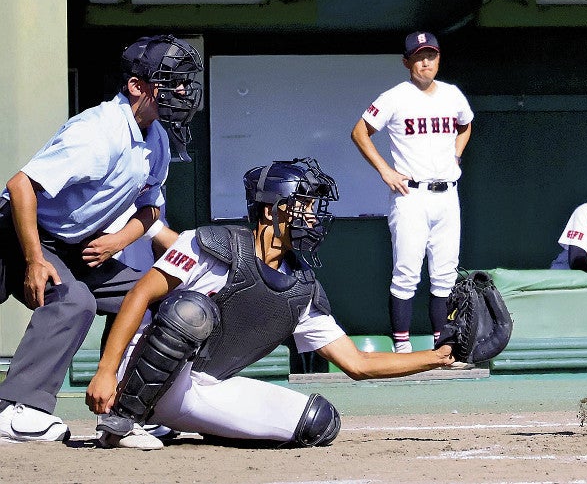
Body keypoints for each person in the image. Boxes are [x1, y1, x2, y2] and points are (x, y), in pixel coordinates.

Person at [86, 158, 455, 450]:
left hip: (200, 389)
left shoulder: (302, 289)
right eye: (303, 206)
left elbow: (358, 363)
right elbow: (139, 295)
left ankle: (174, 421)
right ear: (270, 211)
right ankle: (123, 420)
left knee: (319, 421)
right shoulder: (211, 244)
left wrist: (439, 357)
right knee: (191, 312)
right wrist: (106, 370)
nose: (313, 217)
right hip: (132, 373)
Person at [0, 35, 203, 443]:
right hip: (16, 231)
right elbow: (21, 185)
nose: (183, 91)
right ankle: (15, 409)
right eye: (173, 81)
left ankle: (130, 408)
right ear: (136, 86)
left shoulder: (157, 138)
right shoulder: (98, 132)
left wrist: (116, 242)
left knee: (160, 294)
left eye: (185, 82)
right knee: (74, 301)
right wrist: (36, 260)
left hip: (78, 244)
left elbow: (150, 210)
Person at [350, 31, 474, 355]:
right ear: (407, 62)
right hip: (412, 195)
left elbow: (466, 124)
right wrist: (384, 170)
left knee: (445, 275)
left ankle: (442, 347)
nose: (425, 62)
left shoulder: (452, 95)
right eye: (418, 57)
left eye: (430, 55)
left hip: (447, 194)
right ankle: (402, 348)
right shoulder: (395, 97)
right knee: (406, 273)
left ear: (438, 58)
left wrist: (457, 154)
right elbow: (360, 131)